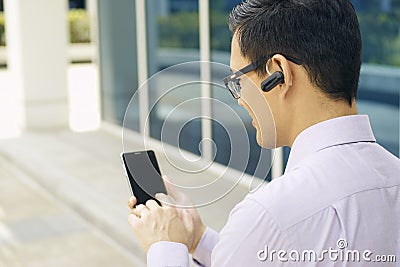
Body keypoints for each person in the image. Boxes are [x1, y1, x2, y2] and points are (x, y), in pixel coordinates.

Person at [127, 0, 400, 266]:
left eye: (238, 81)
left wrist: (164, 246)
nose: (239, 99)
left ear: (278, 73)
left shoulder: (268, 216)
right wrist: (198, 239)